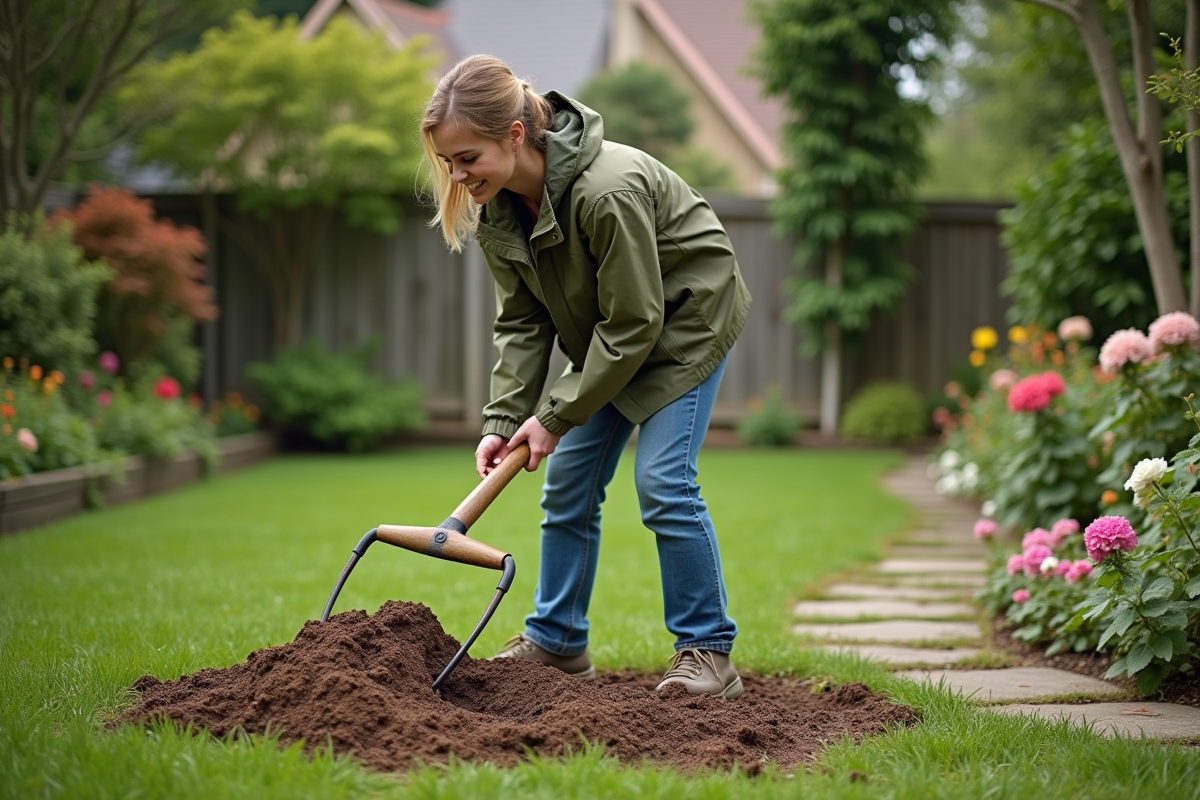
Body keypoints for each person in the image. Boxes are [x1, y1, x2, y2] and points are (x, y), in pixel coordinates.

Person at [420, 54, 751, 699]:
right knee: (568, 487)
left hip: (684, 328)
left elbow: (637, 324)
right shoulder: (501, 212)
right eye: (448, 163)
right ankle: (557, 641)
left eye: (468, 158)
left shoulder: (608, 191)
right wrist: (504, 420)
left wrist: (554, 416)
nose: (458, 176)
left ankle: (707, 651)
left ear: (514, 136)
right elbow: (522, 323)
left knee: (663, 484)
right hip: (615, 336)